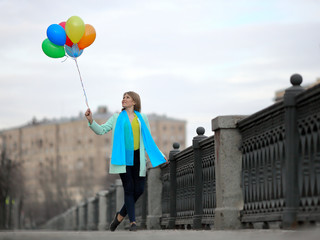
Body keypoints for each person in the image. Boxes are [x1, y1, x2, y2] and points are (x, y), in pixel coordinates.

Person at [85, 91, 167, 231]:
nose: (124, 99)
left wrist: (160, 155)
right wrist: (91, 120)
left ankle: (120, 215)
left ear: (134, 101)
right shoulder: (116, 118)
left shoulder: (142, 118)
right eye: (123, 97)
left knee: (139, 189)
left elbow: (148, 139)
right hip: (122, 158)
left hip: (138, 158)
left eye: (127, 97)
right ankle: (132, 223)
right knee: (129, 189)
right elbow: (101, 130)